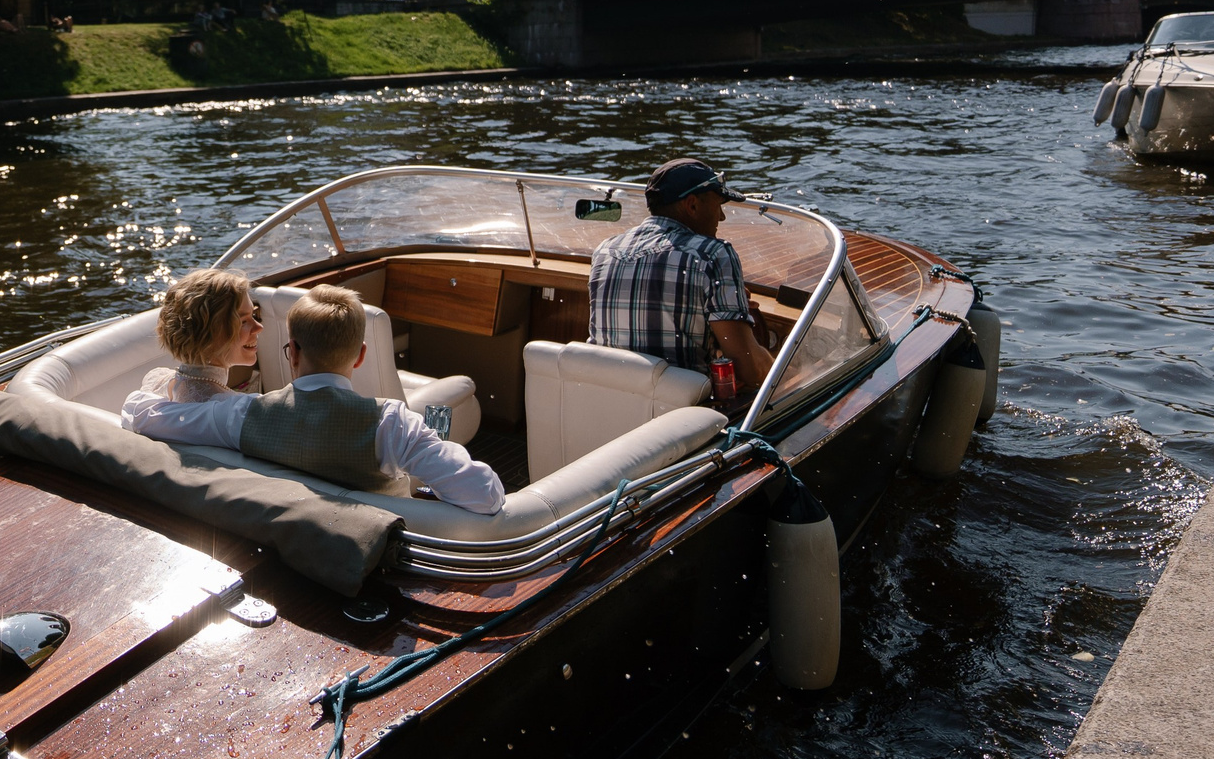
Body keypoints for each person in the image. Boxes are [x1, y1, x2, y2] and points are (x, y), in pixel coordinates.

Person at [121, 284, 504, 513]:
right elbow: (485, 495)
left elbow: (140, 413)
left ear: (293, 352)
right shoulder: (394, 423)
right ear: (360, 356)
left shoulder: (238, 414)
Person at [588, 157, 776, 405]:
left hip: (607, 404)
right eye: (718, 205)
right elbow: (749, 370)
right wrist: (786, 368)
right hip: (680, 416)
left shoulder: (605, 251)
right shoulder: (712, 254)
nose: (721, 217)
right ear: (692, 205)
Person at [133, 268, 263, 404]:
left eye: (253, 315)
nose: (259, 327)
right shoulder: (241, 408)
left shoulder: (156, 383)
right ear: (208, 335)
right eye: (243, 322)